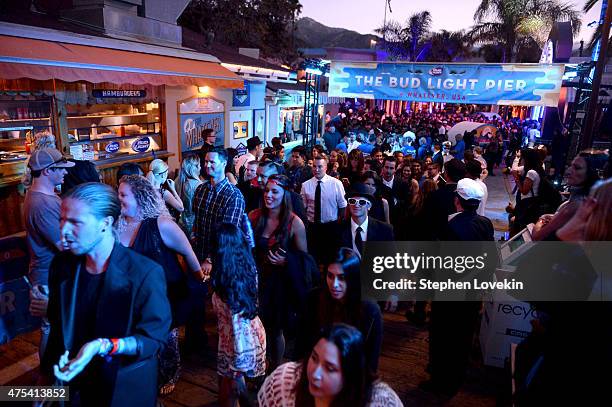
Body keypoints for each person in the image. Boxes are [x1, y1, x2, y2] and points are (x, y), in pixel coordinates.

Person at [41, 183, 171, 406]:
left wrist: (102, 346)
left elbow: (152, 339)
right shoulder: (62, 265)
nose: (63, 231)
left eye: (75, 222)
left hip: (118, 390)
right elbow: (57, 332)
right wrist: (44, 387)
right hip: (68, 388)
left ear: (106, 223)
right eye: (61, 220)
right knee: (12, 396)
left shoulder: (144, 273)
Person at [117, 175, 204, 395]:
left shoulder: (161, 224)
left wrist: (200, 278)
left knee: (167, 338)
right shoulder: (116, 224)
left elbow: (188, 254)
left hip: (165, 294)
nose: (118, 199)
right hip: (132, 296)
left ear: (140, 197)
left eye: (122, 195)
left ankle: (169, 373)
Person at [424, 178, 493, 396]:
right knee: (463, 336)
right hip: (471, 295)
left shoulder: (449, 228)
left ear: (457, 201)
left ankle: (440, 381)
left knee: (443, 338)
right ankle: (457, 377)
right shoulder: (485, 223)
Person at [258, 323, 402, 407]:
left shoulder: (380, 401)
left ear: (350, 374)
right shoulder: (283, 384)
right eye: (314, 358)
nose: (315, 374)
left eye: (330, 368)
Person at [249, 174, 308, 370]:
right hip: (256, 282)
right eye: (267, 190)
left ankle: (275, 368)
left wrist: (286, 260)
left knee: (275, 330)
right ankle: (257, 366)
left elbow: (305, 259)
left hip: (279, 285)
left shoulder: (294, 223)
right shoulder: (254, 217)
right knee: (255, 327)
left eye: (275, 191)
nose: (269, 195)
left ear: (285, 195)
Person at [192, 147, 247, 350]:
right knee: (198, 297)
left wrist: (210, 259)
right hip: (200, 252)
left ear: (224, 164)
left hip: (223, 258)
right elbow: (197, 220)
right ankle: (199, 340)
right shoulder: (201, 190)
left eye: (212, 162)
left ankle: (226, 344)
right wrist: (194, 237)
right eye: (206, 162)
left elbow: (226, 234)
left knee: (223, 301)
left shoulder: (234, 195)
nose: (208, 165)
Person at [24, 148, 75, 359]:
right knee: (52, 329)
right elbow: (65, 245)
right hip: (48, 276)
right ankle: (49, 382)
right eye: (61, 169)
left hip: (50, 273)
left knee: (54, 328)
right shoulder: (41, 204)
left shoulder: (41, 196)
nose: (65, 173)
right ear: (47, 171)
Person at [212, 224, 266, 407]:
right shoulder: (247, 266)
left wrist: (237, 371)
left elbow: (239, 331)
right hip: (247, 334)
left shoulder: (230, 288)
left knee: (229, 395)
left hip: (239, 346)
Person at [532, 150, 605, 241]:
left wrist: (541, 220)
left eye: (577, 168)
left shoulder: (577, 204)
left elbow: (537, 236)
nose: (569, 171)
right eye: (571, 166)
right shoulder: (585, 199)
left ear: (591, 173)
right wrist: (554, 217)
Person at [301, 154, 347, 264]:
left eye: (320, 166)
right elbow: (303, 208)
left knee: (330, 259)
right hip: (313, 227)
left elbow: (342, 206)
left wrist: (339, 224)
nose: (316, 169)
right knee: (313, 258)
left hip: (330, 227)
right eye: (314, 166)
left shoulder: (336, 184)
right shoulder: (305, 185)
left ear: (326, 167)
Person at [338, 184, 394, 257]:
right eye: (352, 201)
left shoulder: (385, 230)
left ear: (369, 206)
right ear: (348, 204)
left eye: (362, 202)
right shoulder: (337, 229)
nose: (356, 205)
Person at [175, 153, 203, 238]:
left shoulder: (178, 180)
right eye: (198, 165)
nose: (200, 168)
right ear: (193, 168)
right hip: (195, 227)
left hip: (181, 223)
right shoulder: (198, 185)